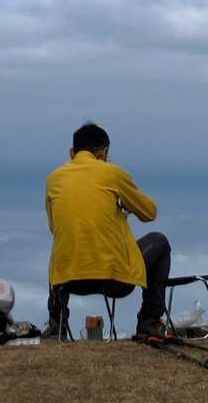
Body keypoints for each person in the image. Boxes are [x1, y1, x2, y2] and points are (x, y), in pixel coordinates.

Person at [43, 122, 171, 339]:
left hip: (69, 280)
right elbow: (150, 213)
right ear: (103, 152)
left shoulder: (53, 179)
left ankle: (57, 325)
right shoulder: (112, 173)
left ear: (72, 152)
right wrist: (124, 206)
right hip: (114, 280)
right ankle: (149, 321)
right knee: (160, 241)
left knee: (61, 248)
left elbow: (54, 227)